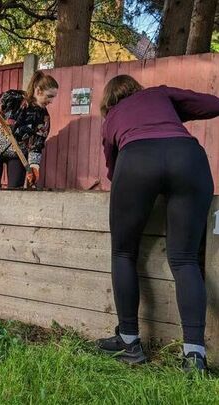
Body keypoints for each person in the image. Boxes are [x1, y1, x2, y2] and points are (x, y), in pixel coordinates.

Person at [96, 74, 219, 372]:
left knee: (124, 253)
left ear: (108, 101)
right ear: (137, 89)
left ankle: (129, 341)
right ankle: (194, 355)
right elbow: (212, 104)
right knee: (185, 258)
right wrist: (175, 115)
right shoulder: (160, 94)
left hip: (136, 160)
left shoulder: (111, 117)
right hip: (188, 158)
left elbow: (113, 172)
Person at [0, 71, 58, 188]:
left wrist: (34, 166)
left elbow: (36, 145)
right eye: (49, 96)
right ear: (38, 91)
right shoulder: (13, 97)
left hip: (18, 156)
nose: (51, 101)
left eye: (53, 97)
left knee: (15, 191)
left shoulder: (43, 118)